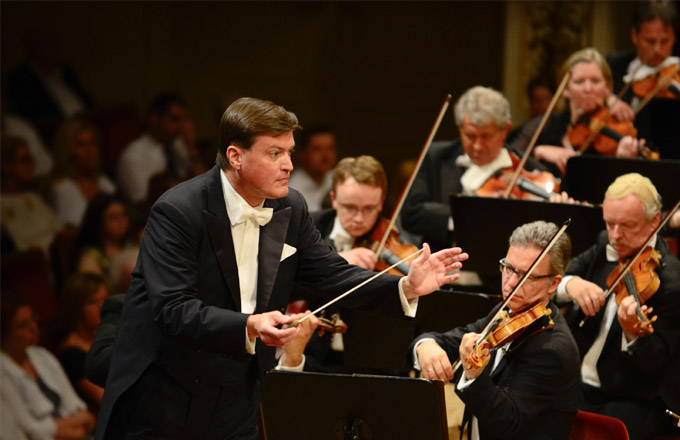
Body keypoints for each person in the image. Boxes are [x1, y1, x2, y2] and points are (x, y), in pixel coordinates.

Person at [95, 97, 468, 440]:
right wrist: (248, 324)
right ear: (235, 157)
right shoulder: (178, 211)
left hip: (238, 394)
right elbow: (172, 309)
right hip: (166, 394)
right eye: (275, 153)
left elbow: (333, 275)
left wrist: (406, 287)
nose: (289, 164)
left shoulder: (290, 207)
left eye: (289, 151)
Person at [410, 221, 580, 439]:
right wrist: (426, 345)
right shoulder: (505, 311)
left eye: (526, 276)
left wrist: (473, 375)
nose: (510, 282)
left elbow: (508, 423)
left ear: (554, 283)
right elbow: (452, 339)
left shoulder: (552, 350)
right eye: (508, 268)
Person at [556, 173, 680, 440]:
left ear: (655, 221)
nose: (615, 236)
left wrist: (633, 334)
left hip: (634, 396)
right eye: (610, 223)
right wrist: (572, 284)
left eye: (626, 226)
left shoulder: (671, 283)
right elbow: (557, 277)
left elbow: (657, 364)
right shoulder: (605, 243)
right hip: (578, 379)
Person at [401, 86, 550, 252]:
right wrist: (465, 217)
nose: (477, 146)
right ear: (460, 129)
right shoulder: (436, 157)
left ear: (505, 130)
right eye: (470, 136)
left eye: (486, 136)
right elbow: (411, 212)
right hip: (441, 269)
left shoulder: (530, 170)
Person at [513, 48, 646, 176]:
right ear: (565, 89)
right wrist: (539, 151)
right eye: (579, 82)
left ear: (607, 87)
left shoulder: (617, 126)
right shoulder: (548, 123)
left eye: (595, 81)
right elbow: (512, 156)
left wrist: (622, 161)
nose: (588, 89)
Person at [0, 292, 95, 440]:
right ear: (4, 336)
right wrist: (71, 429)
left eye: (33, 319)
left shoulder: (41, 355)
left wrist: (75, 428)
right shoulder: (3, 371)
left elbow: (80, 408)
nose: (33, 327)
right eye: (23, 325)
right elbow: (29, 430)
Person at [116, 93, 203, 203]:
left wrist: (192, 149)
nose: (181, 127)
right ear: (154, 119)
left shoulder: (180, 146)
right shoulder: (133, 156)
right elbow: (143, 204)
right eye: (175, 120)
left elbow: (204, 189)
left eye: (183, 121)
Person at [48, 116, 116, 227]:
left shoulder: (103, 181)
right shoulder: (63, 189)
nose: (90, 151)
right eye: (81, 145)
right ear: (67, 151)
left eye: (93, 143)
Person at [57, 273, 109, 411]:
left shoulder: (110, 335)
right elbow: (108, 400)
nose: (102, 307)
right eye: (92, 302)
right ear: (75, 308)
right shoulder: (71, 355)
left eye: (105, 299)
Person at [0, 136, 59, 256]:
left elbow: (58, 232)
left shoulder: (33, 198)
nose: (32, 166)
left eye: (31, 159)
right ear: (5, 166)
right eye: (25, 160)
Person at [75, 193, 138, 289]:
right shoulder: (91, 258)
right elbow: (93, 295)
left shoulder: (131, 244)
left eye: (124, 215)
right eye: (114, 217)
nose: (122, 221)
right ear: (98, 221)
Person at [288, 125, 337, 211]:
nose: (325, 156)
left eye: (330, 148)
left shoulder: (339, 180)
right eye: (317, 149)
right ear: (302, 154)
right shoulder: (291, 190)